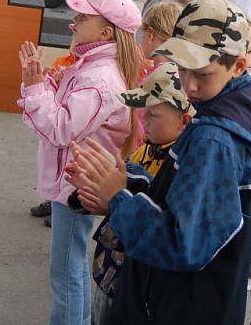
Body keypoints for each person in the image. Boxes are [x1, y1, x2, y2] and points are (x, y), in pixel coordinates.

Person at [65, 0, 251, 324]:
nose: (190, 85)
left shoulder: (215, 140)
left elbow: (183, 244)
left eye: (203, 73)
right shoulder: (230, 108)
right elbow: (190, 202)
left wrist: (119, 200)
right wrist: (129, 184)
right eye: (183, 68)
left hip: (175, 307)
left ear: (239, 65)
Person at [16, 0, 143, 325]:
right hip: (77, 178)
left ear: (106, 32)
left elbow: (60, 128)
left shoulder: (99, 77)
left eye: (83, 16)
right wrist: (49, 86)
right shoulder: (94, 68)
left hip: (76, 183)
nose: (74, 21)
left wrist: (34, 88)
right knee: (68, 266)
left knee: (66, 270)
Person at [76, 63, 194, 325]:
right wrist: (93, 191)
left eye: (153, 114)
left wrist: (118, 191)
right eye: (143, 112)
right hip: (111, 271)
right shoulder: (145, 151)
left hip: (138, 281)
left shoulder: (182, 165)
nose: (143, 120)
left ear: (184, 121)